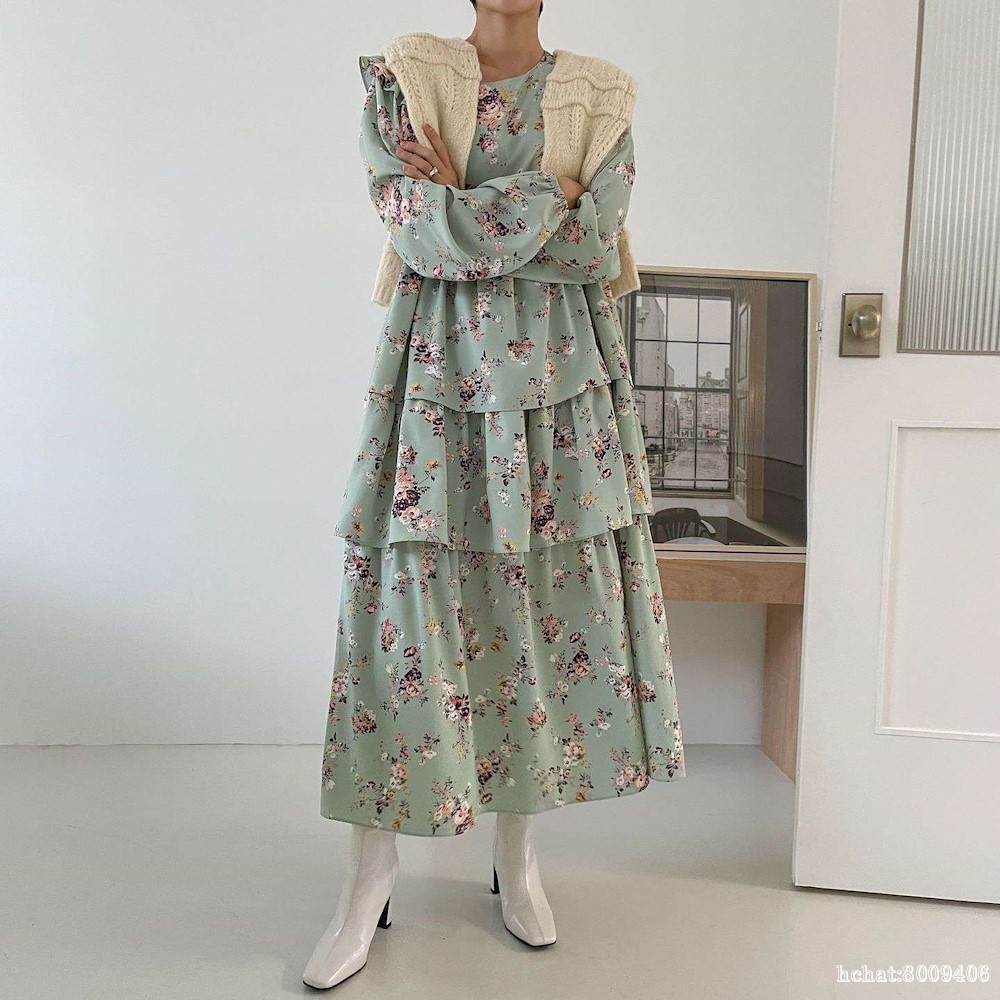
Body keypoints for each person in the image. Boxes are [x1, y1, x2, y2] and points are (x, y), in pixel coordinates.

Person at [304, 1, 684, 988]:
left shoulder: (600, 92)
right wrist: (551, 193)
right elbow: (417, 232)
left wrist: (468, 200)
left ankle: (516, 858)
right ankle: (369, 876)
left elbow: (595, 249)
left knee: (538, 608)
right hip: (435, 371)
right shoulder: (407, 73)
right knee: (403, 611)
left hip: (562, 385)